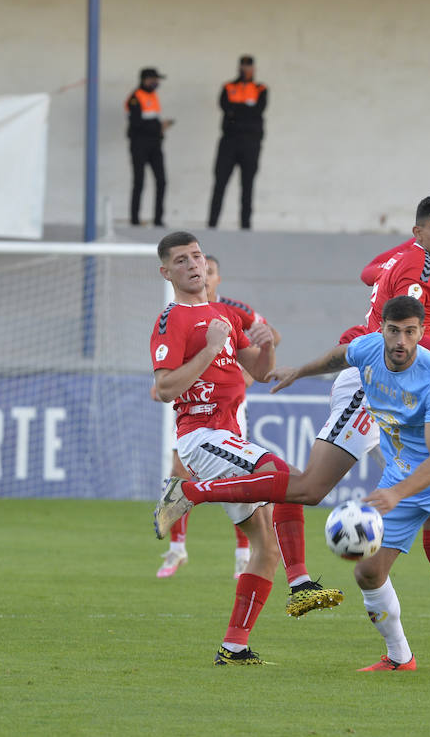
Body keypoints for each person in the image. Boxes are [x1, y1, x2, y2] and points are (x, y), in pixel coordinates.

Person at [155, 195, 430, 654]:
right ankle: (195, 496)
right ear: (420, 231)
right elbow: (406, 334)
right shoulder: (419, 270)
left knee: (429, 498)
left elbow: (370, 274)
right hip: (372, 385)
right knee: (307, 487)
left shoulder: (407, 260)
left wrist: (382, 288)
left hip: (386, 384)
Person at [200, 295, 430, 677]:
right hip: (400, 475)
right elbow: (339, 356)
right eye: (393, 331)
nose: (400, 341)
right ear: (382, 329)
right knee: (367, 573)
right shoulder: (370, 348)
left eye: (409, 332)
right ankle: (400, 657)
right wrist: (300, 372)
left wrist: (395, 494)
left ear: (421, 333)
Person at [147, 231, 339, 665]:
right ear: (167, 272)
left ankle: (234, 647)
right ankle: (301, 581)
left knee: (266, 547)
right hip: (202, 436)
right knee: (291, 478)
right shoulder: (171, 319)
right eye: (182, 260)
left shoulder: (225, 314)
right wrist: (211, 349)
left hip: (231, 436)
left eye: (197, 256)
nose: (193, 264)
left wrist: (267, 344)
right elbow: (162, 388)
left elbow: (259, 369)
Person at [157, 255, 282, 583]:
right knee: (181, 469)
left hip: (228, 409)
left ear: (217, 278)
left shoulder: (231, 310)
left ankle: (248, 560)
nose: (202, 273)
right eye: (195, 266)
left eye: (208, 269)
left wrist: (245, 370)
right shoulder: (176, 318)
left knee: (263, 517)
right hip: (196, 417)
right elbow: (166, 378)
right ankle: (178, 546)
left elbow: (268, 339)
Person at [208, 55, 266, 231]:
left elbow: (258, 110)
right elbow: (226, 107)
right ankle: (212, 224)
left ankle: (246, 226)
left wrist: (237, 110)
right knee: (220, 181)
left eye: (249, 67)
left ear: (254, 69)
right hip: (229, 141)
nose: (246, 70)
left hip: (251, 142)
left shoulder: (260, 88)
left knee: (247, 184)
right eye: (243, 66)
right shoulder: (228, 87)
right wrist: (245, 110)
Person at [126, 67, 174, 227]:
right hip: (139, 144)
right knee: (139, 181)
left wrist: (159, 127)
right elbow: (136, 124)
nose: (157, 83)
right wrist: (158, 127)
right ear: (146, 80)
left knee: (161, 181)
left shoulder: (152, 96)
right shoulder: (135, 97)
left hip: (155, 144)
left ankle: (158, 219)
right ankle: (134, 219)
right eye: (154, 80)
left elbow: (151, 119)